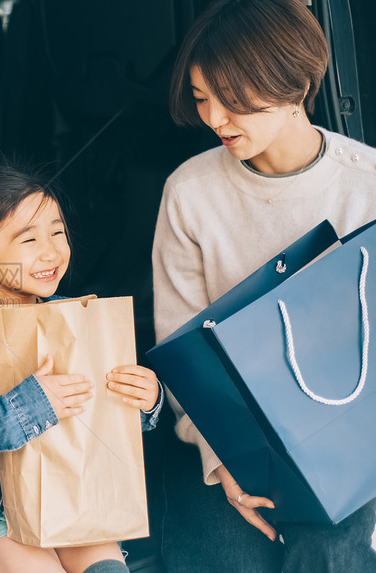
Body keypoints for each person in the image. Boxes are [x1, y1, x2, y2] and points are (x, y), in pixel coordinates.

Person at [153, 0, 376, 571]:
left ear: (297, 84)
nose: (216, 119)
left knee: (332, 545)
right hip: (235, 432)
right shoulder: (189, 192)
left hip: (352, 432)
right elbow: (181, 352)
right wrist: (221, 461)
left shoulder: (366, 183)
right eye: (203, 97)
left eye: (235, 99)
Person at [0, 158, 164, 573]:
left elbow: (104, 426)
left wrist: (147, 401)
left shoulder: (77, 318)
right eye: (27, 240)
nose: (51, 251)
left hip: (74, 491)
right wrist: (29, 405)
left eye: (58, 232)